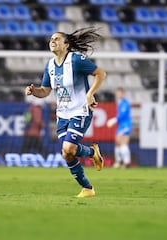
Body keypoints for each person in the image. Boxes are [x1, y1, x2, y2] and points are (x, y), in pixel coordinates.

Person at [25, 27, 106, 198]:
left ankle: (88, 184)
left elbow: (100, 74)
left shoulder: (75, 60)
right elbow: (45, 91)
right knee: (67, 153)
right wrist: (34, 91)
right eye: (51, 39)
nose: (52, 41)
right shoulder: (50, 66)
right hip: (62, 114)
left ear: (67, 45)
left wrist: (90, 94)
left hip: (80, 111)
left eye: (57, 39)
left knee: (68, 147)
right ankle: (88, 184)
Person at [106, 87, 132, 168]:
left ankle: (127, 162)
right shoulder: (121, 103)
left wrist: (114, 120)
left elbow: (122, 115)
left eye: (119, 93)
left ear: (123, 93)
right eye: (117, 93)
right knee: (117, 142)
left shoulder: (125, 103)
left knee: (123, 142)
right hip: (121, 125)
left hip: (126, 125)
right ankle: (119, 161)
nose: (118, 94)